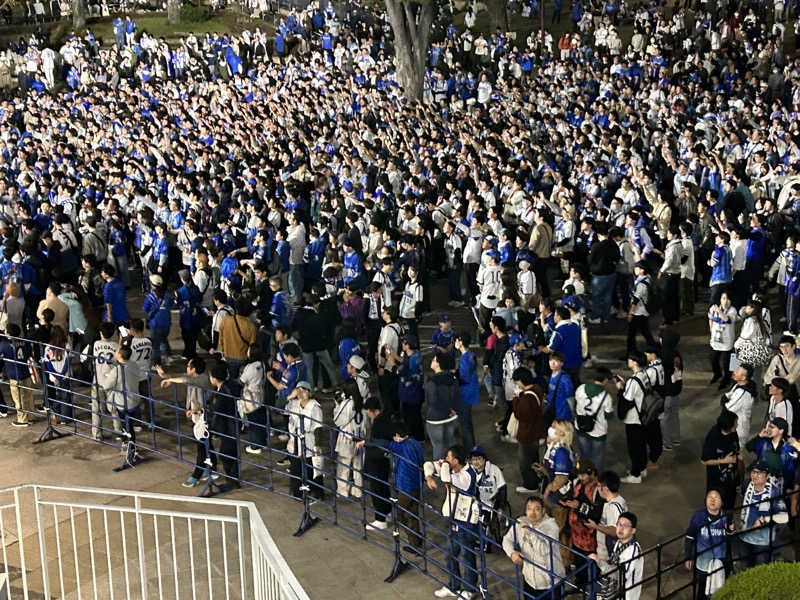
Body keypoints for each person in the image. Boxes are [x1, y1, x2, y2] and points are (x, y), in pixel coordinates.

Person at [424, 445, 480, 600]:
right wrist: (429, 476)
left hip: (466, 521)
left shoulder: (468, 475)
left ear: (456, 461)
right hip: (453, 519)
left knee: (467, 555)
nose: (445, 460)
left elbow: (446, 479)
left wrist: (444, 467)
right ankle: (454, 586)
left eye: (448, 458)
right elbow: (428, 464)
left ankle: (470, 589)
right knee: (450, 554)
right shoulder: (450, 467)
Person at [158, 357, 214, 487]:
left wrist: (170, 380)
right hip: (197, 415)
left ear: (194, 369)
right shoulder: (196, 376)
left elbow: (185, 379)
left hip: (204, 416)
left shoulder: (202, 379)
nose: (186, 368)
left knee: (202, 445)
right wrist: (166, 376)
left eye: (188, 366)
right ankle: (211, 468)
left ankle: (197, 474)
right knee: (206, 443)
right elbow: (182, 376)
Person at [502, 496, 565, 598]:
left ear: (543, 511)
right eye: (529, 508)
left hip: (550, 582)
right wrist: (512, 553)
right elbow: (506, 540)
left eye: (537, 509)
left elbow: (543, 550)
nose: (532, 513)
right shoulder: (521, 522)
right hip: (529, 580)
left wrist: (530, 532)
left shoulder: (551, 526)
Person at [737, 460, 789, 568]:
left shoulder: (774, 492)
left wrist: (764, 520)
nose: (755, 475)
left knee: (760, 571)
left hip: (762, 542)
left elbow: (784, 517)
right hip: (744, 537)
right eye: (753, 472)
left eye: (759, 473)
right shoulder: (746, 484)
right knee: (745, 569)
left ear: (768, 475)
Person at [684, 489, 732, 600]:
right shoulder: (698, 517)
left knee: (720, 591)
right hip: (702, 563)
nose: (712, 500)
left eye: (716, 497)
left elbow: (730, 538)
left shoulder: (726, 516)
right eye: (710, 497)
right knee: (702, 591)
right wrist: (688, 557)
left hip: (721, 562)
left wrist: (731, 531)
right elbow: (690, 537)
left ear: (722, 502)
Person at [358, 397, 395, 531]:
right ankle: (387, 512)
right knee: (383, 486)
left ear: (373, 410)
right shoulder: (386, 418)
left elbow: (380, 442)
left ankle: (380, 519)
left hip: (376, 460)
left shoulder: (379, 422)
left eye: (368, 411)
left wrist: (366, 443)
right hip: (383, 460)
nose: (367, 413)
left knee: (377, 488)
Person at [589, 511, 644, 600]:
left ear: (633, 531)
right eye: (619, 524)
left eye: (625, 526)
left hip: (625, 595)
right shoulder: (620, 542)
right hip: (616, 588)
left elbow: (620, 575)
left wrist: (600, 562)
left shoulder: (632, 551)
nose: (620, 529)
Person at [389, 422, 425, 553]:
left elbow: (385, 444)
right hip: (417, 484)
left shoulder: (400, 447)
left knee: (398, 514)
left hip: (405, 486)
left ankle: (414, 538)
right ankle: (416, 543)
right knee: (412, 513)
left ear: (398, 436)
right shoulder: (416, 444)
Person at [286, 380, 324, 500]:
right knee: (296, 466)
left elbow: (318, 427)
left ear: (309, 392)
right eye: (299, 390)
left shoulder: (314, 406)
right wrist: (289, 397)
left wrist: (317, 443)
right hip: (295, 439)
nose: (301, 393)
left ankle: (316, 493)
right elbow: (278, 406)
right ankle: (297, 491)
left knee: (311, 467)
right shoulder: (294, 403)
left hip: (309, 439)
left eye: (304, 390)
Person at [207, 363, 242, 490]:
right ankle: (233, 479)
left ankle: (232, 481)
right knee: (230, 452)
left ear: (215, 379)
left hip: (229, 426)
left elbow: (218, 409)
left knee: (226, 454)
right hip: (232, 424)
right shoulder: (229, 386)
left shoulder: (223, 393)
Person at [512, 367, 547, 494]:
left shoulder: (526, 398)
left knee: (525, 462)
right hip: (536, 431)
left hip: (527, 434)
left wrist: (516, 399)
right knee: (534, 457)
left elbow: (520, 415)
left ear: (521, 381)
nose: (516, 384)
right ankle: (537, 479)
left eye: (516, 381)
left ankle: (530, 485)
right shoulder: (537, 389)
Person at [616, 351, 649, 484]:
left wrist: (620, 388)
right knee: (641, 444)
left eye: (630, 359)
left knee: (634, 447)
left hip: (633, 418)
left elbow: (627, 400)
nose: (628, 361)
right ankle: (642, 468)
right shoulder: (644, 375)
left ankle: (635, 475)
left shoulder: (633, 381)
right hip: (643, 416)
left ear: (635, 362)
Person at [573, 367, 614, 473]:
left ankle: (583, 476)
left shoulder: (581, 388)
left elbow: (576, 404)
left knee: (584, 455)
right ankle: (596, 479)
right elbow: (609, 416)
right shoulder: (606, 397)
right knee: (597, 457)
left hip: (581, 426)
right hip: (598, 431)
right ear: (605, 380)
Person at [701, 410, 743, 511]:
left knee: (730, 502)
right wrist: (724, 461)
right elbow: (704, 461)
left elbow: (736, 447)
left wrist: (739, 456)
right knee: (716, 503)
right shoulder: (714, 437)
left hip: (731, 477)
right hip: (717, 480)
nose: (737, 425)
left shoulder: (733, 433)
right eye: (736, 423)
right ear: (729, 426)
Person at [332, 379, 367, 498]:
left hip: (347, 439)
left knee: (344, 466)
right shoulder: (363, 401)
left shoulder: (347, 403)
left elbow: (337, 421)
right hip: (361, 438)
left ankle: (343, 491)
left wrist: (337, 406)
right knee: (358, 467)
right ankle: (358, 491)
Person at [425, 353, 460, 461]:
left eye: (434, 360)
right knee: (451, 442)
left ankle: (440, 472)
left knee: (438, 447)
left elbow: (432, 402)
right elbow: (457, 396)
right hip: (451, 417)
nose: (432, 361)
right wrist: (453, 410)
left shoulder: (432, 382)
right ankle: (456, 466)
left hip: (436, 419)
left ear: (438, 364)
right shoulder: (453, 378)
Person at [587, 471, 628, 562]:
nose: (597, 489)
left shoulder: (613, 507)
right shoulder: (620, 500)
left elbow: (615, 531)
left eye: (598, 486)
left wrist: (595, 526)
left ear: (605, 488)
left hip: (609, 553)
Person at [0, 324, 34, 427]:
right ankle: (31, 417)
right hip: (26, 372)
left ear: (8, 333)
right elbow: (29, 354)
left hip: (15, 375)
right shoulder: (25, 342)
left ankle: (22, 419)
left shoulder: (4, 345)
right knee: (28, 395)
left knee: (18, 398)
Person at [217, 298, 257, 381]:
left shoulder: (226, 320)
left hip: (227, 355)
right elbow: (252, 346)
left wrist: (223, 350)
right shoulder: (251, 326)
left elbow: (220, 337)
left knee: (229, 378)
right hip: (242, 358)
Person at [708, 291, 737, 390]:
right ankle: (717, 374)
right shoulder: (713, 309)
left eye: (727, 299)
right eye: (723, 298)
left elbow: (726, 319)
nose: (725, 301)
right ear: (720, 299)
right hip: (716, 340)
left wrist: (719, 311)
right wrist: (711, 330)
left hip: (727, 342)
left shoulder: (732, 310)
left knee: (726, 363)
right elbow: (710, 319)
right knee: (713, 359)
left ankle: (727, 379)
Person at [142, 275, 173, 367]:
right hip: (166, 324)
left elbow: (145, 309)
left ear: (153, 285)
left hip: (155, 325)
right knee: (164, 340)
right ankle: (168, 357)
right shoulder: (167, 295)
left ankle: (157, 364)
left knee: (155, 346)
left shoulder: (150, 297)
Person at [722, 364, 756, 447]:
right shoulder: (739, 384)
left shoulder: (743, 393)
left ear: (743, 377)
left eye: (737, 371)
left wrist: (724, 401)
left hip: (739, 429)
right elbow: (727, 396)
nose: (734, 372)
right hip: (734, 425)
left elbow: (727, 407)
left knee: (736, 453)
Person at [455, 332, 479, 451]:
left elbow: (463, 378)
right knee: (468, 422)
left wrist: (454, 376)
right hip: (471, 392)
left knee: (464, 424)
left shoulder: (464, 358)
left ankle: (469, 450)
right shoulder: (470, 354)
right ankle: (472, 446)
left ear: (460, 342)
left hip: (465, 394)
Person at [626, 261, 656, 354]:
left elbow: (635, 299)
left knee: (632, 334)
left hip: (638, 312)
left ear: (642, 270)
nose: (635, 270)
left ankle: (631, 352)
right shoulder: (647, 279)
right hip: (643, 311)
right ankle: (654, 348)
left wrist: (630, 313)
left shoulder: (641, 284)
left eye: (637, 268)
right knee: (645, 331)